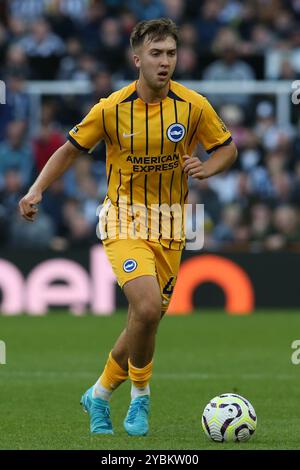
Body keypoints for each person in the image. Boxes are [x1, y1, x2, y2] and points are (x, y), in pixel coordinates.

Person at [19, 18, 237, 437]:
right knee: (148, 307)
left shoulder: (193, 106)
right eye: (156, 54)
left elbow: (227, 149)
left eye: (171, 53)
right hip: (123, 218)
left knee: (144, 319)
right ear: (137, 59)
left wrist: (207, 169)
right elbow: (69, 151)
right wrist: (36, 190)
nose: (165, 62)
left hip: (172, 225)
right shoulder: (110, 108)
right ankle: (141, 398)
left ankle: (99, 395)